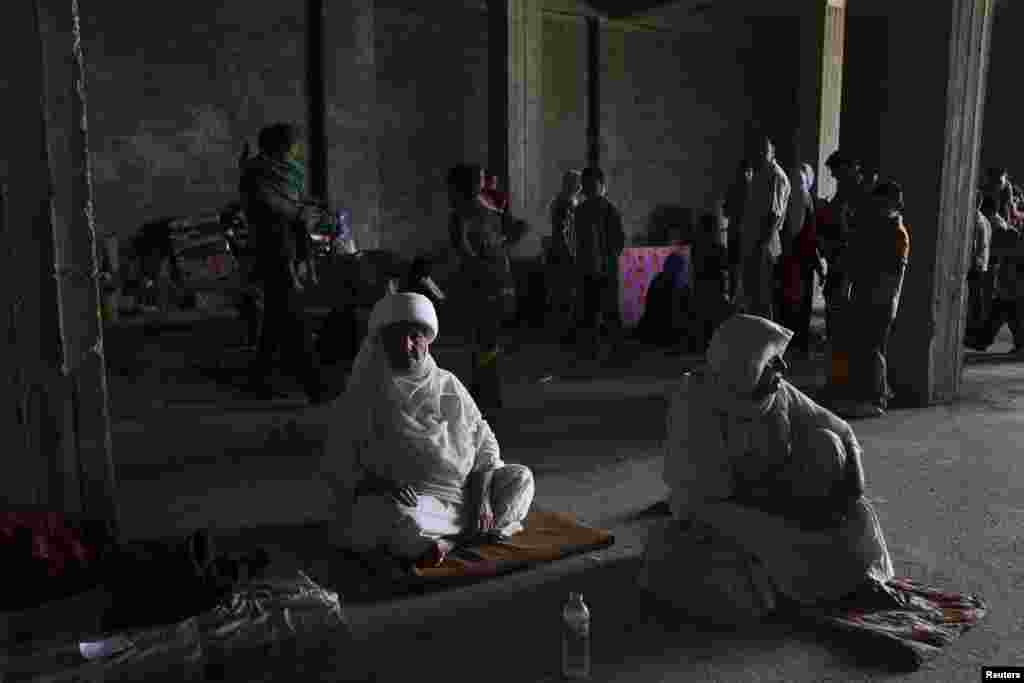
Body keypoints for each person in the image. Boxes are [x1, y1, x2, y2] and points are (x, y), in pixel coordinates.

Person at [640, 314, 895, 624]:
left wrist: (853, 484)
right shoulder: (696, 403)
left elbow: (840, 429)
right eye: (772, 362)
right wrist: (796, 506)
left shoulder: (777, 392)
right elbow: (715, 490)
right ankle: (816, 589)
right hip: (715, 504)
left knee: (847, 493)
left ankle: (855, 578)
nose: (784, 369)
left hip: (778, 488)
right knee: (772, 534)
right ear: (742, 367)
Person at [321, 293, 535, 568]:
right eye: (396, 337)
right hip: (416, 507)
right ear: (381, 343)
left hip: (467, 497)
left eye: (414, 336)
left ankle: (453, 541)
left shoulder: (448, 385)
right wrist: (384, 485)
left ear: (427, 341)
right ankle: (473, 534)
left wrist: (481, 502)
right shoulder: (363, 394)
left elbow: (485, 446)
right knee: (384, 515)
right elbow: (339, 467)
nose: (406, 345)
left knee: (520, 479)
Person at [239, 122, 331, 403]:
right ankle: (315, 387)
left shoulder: (281, 175)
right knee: (295, 323)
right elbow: (279, 211)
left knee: (275, 322)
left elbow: (292, 207)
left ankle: (260, 380)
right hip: (277, 257)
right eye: (294, 144)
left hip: (284, 254)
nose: (298, 149)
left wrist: (308, 208)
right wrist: (303, 213)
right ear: (282, 148)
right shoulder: (261, 176)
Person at [448, 163, 514, 418]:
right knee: (485, 339)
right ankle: (486, 389)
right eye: (479, 180)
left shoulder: (478, 211)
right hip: (485, 281)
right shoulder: (471, 212)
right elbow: (467, 247)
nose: (482, 183)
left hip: (487, 281)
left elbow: (479, 246)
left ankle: (485, 389)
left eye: (482, 179)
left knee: (485, 339)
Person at [840, 181, 910, 418]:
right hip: (869, 294)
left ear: (892, 204)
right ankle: (877, 392)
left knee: (874, 348)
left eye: (881, 202)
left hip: (880, 298)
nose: (877, 206)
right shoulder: (881, 228)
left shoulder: (897, 233)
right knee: (869, 347)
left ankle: (877, 398)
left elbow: (893, 274)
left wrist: (884, 299)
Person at [573, 167, 627, 362]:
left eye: (591, 185)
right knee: (593, 312)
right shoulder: (584, 212)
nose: (588, 189)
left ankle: (609, 351)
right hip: (594, 269)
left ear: (601, 186)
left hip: (601, 269)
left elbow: (618, 241)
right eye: (586, 185)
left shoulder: (607, 210)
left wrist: (607, 261)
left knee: (604, 312)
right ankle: (598, 351)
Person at [740, 137, 791, 320]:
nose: (759, 155)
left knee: (763, 298)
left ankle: (765, 343)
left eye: (764, 151)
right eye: (757, 151)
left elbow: (774, 215)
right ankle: (754, 341)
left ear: (772, 153)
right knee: (752, 297)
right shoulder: (759, 174)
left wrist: (761, 248)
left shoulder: (776, 176)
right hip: (753, 244)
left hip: (764, 246)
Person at [817, 151, 863, 342]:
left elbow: (850, 228)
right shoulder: (846, 190)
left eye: (836, 172)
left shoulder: (856, 193)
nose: (834, 177)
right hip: (838, 258)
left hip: (846, 260)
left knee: (839, 303)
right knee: (833, 299)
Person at [781, 163, 824, 353]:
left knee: (795, 301)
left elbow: (804, 233)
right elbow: (805, 234)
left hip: (797, 259)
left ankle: (796, 342)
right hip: (799, 259)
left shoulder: (797, 197)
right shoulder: (803, 196)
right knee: (798, 302)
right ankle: (799, 342)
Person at [971, 195, 1023, 352]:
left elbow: (1014, 263)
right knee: (1008, 314)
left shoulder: (1014, 239)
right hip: (1011, 287)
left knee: (1002, 312)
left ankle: (983, 341)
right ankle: (986, 340)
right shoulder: (1014, 238)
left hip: (1013, 286)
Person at [689, 210, 733, 353]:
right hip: (715, 291)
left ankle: (701, 345)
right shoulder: (718, 249)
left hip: (701, 290)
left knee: (702, 320)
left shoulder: (696, 248)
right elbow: (726, 268)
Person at [547, 170, 582, 344]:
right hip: (563, 252)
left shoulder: (564, 201)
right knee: (565, 293)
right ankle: (564, 332)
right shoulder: (566, 203)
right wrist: (571, 253)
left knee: (562, 292)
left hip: (561, 251)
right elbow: (562, 231)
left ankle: (562, 331)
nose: (581, 186)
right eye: (578, 183)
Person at [635, 252, 690, 348]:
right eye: (682, 268)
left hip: (653, 332)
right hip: (663, 334)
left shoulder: (658, 280)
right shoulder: (675, 285)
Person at [723, 160, 754, 303]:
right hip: (743, 233)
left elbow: (726, 211)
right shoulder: (752, 189)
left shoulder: (733, 188)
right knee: (741, 268)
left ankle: (735, 298)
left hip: (735, 231)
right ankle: (739, 299)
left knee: (735, 268)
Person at [965, 199, 993, 350]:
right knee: (977, 301)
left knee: (974, 302)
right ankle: (976, 333)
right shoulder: (985, 219)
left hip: (975, 265)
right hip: (983, 264)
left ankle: (973, 334)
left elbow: (974, 244)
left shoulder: (975, 219)